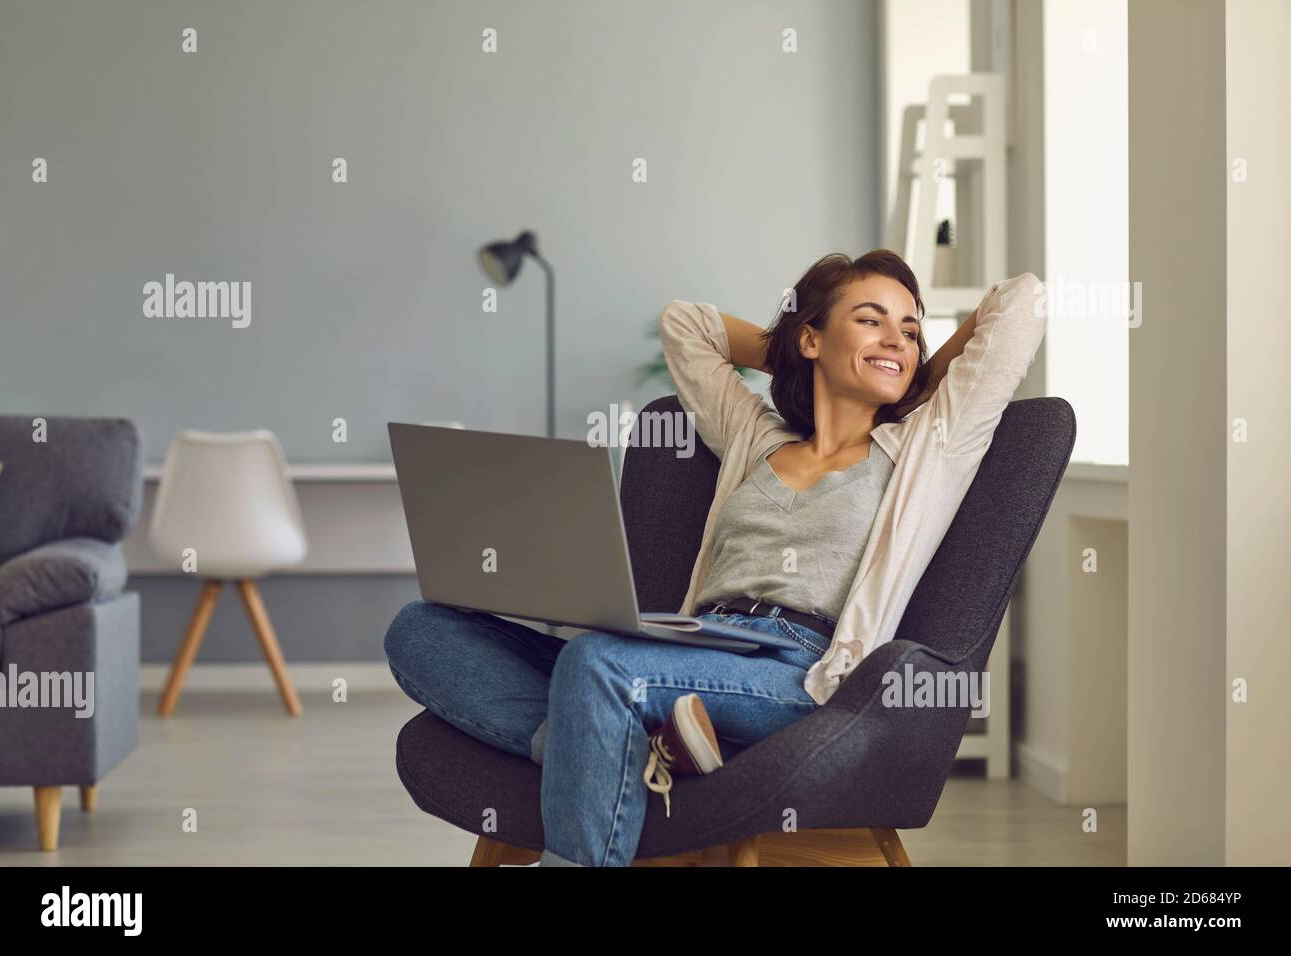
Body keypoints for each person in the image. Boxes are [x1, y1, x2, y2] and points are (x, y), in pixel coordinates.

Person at [384, 250, 1046, 866]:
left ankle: (600, 772)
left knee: (597, 666)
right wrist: (791, 350)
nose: (897, 337)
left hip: (798, 665)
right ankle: (628, 748)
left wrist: (915, 373)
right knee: (420, 628)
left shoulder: (927, 446)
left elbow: (1022, 303)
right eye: (869, 320)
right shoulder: (752, 437)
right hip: (695, 642)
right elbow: (687, 324)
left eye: (910, 328)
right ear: (812, 338)